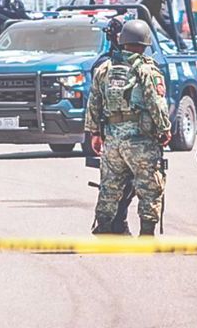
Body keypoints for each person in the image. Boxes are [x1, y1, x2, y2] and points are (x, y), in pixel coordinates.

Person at [85, 19, 172, 236]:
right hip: (140, 140)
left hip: (112, 140)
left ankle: (104, 228)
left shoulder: (104, 68)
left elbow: (94, 102)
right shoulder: (147, 69)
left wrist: (95, 133)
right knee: (150, 187)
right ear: (145, 43)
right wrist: (164, 129)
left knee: (109, 186)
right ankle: (146, 234)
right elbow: (156, 103)